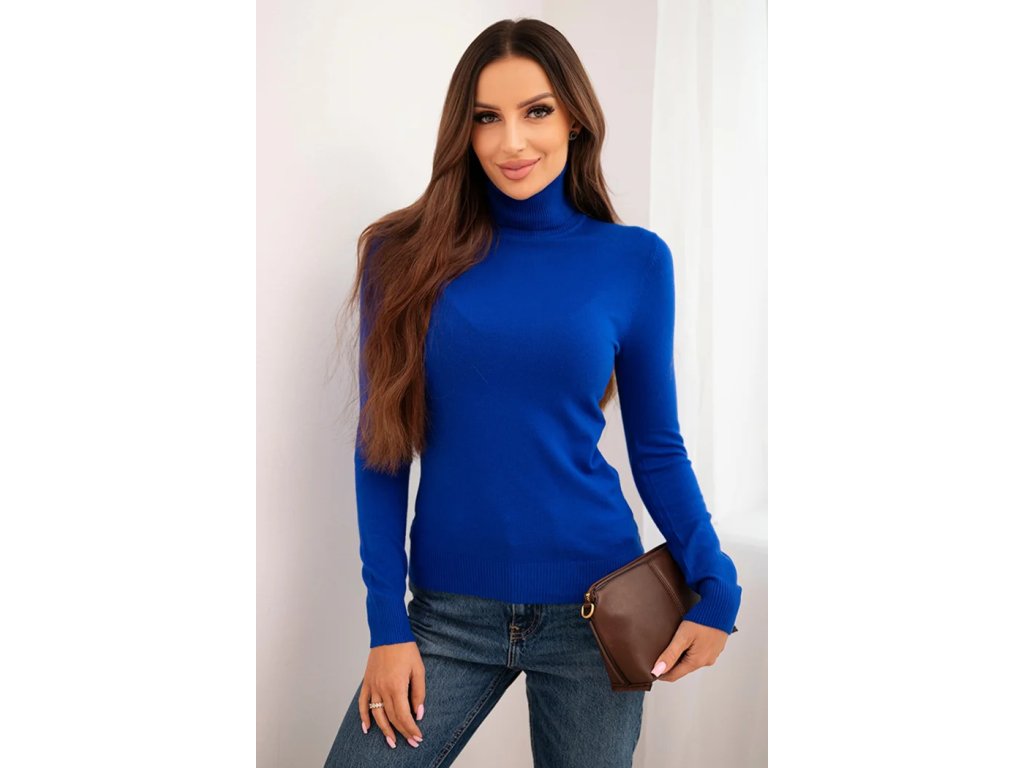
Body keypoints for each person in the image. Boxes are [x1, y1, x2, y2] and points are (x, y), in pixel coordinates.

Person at [323, 17, 742, 768]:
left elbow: (656, 447)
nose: (511, 142)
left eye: (536, 111)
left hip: (598, 611)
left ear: (574, 117)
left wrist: (716, 581)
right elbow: (380, 450)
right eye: (487, 117)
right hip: (447, 615)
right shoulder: (402, 255)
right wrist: (387, 625)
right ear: (463, 130)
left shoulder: (635, 261)